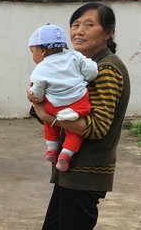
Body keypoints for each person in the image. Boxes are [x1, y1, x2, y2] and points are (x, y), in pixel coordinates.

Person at [29, 3, 130, 230]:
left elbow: (96, 126)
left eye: (89, 25)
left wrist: (44, 111)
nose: (79, 31)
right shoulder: (76, 65)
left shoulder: (107, 69)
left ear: (109, 32)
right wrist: (44, 108)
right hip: (72, 170)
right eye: (75, 24)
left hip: (88, 171)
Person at [28, 23, 98, 171]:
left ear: (43, 51)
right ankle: (65, 155)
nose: (32, 55)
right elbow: (92, 71)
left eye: (32, 51)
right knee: (74, 130)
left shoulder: (40, 69)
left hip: (54, 106)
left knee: (49, 123)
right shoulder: (75, 56)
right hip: (79, 103)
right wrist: (84, 79)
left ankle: (52, 150)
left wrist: (36, 99)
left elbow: (37, 91)